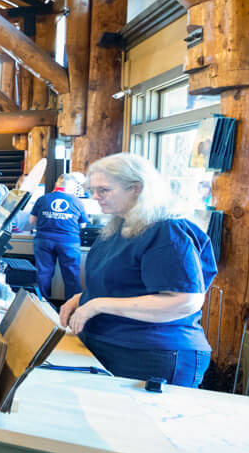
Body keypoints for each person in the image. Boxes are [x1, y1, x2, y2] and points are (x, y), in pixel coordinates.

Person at [60, 153, 217, 388]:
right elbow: (127, 286)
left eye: (104, 190)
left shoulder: (166, 230)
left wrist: (96, 305)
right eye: (93, 190)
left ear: (136, 188)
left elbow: (185, 300)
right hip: (112, 344)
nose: (95, 197)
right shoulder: (118, 226)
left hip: (154, 353)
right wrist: (82, 298)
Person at [30, 174, 89, 300]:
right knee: (72, 274)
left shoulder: (43, 199)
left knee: (43, 273)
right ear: (72, 186)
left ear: (57, 184)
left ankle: (41, 303)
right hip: (68, 242)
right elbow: (83, 224)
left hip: (44, 240)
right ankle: (72, 305)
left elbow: (32, 220)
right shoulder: (77, 201)